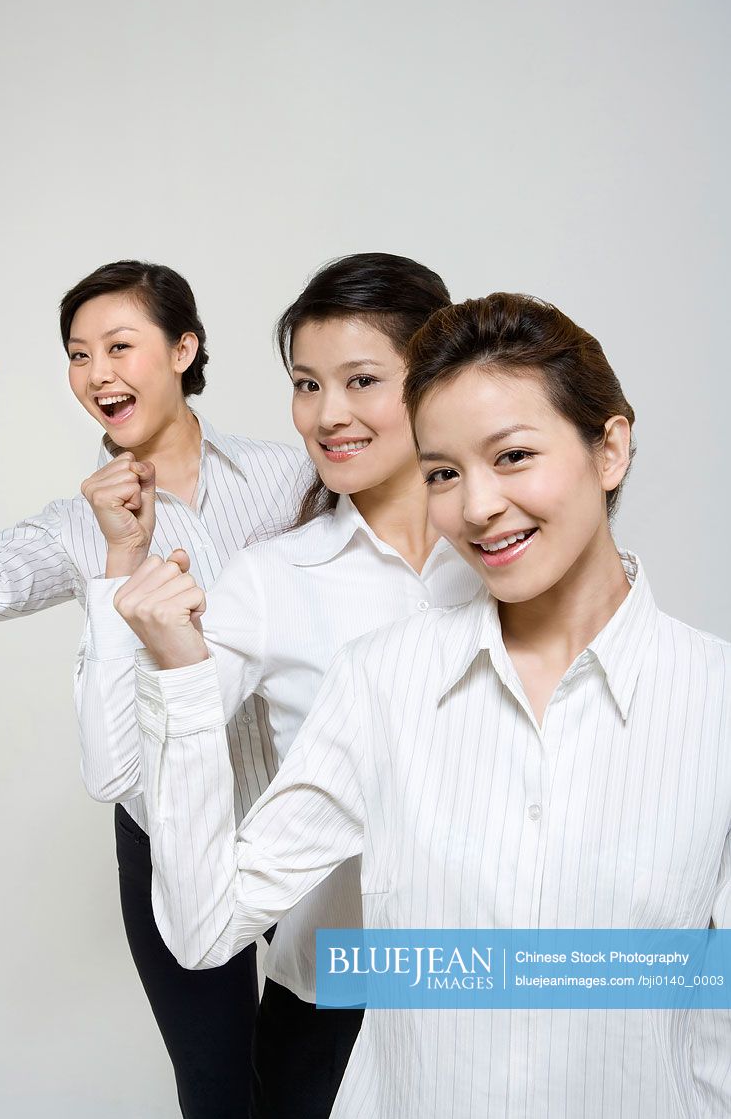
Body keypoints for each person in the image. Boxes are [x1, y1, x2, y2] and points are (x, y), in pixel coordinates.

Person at [114, 292, 731, 1117]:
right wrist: (183, 680)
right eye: (443, 471)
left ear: (608, 446)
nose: (474, 507)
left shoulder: (713, 701)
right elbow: (203, 927)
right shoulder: (384, 681)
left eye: (511, 456)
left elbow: (714, 1022)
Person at [75, 252, 482, 1118]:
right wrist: (123, 589)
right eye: (306, 384)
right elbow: (117, 768)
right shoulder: (272, 578)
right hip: (332, 999)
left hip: (490, 978)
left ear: (437, 384)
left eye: (360, 380)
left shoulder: (506, 557)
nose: (327, 414)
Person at [0, 259, 310, 1119]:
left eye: (119, 346)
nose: (97, 373)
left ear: (183, 348)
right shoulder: (79, 520)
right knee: (216, 1093)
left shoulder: (290, 478)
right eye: (77, 354)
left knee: (320, 1083)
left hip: (302, 824)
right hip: (168, 837)